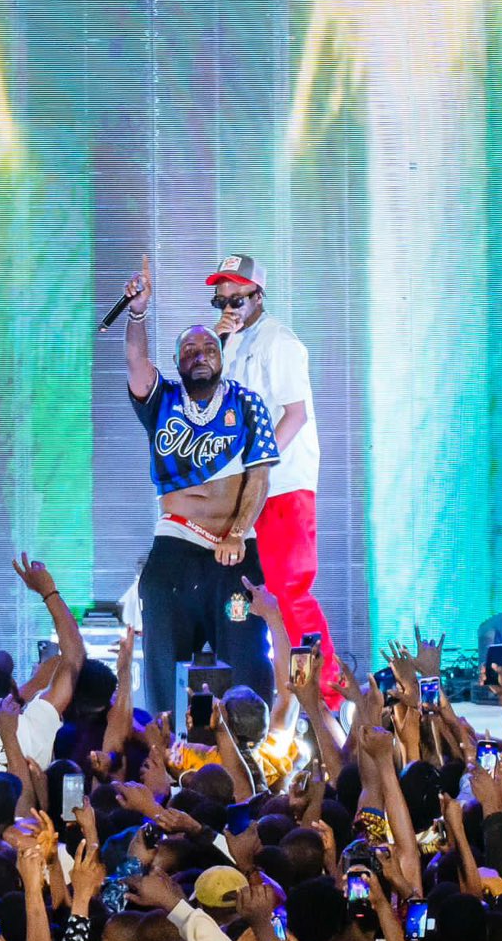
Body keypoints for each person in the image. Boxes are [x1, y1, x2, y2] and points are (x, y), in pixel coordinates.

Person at [120, 255, 279, 714]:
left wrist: (236, 532)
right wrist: (138, 313)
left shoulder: (247, 404)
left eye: (208, 349)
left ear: (222, 356)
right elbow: (135, 358)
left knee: (247, 665)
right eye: (188, 352)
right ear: (177, 363)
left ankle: (250, 751)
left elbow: (260, 476)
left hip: (233, 548)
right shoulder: (162, 399)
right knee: (166, 667)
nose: (200, 357)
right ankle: (165, 752)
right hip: (178, 542)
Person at [204, 255, 338, 688]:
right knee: (253, 598)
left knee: (290, 592)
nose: (229, 308)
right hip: (248, 487)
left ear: (258, 296)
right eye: (220, 300)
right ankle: (277, 695)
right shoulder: (231, 344)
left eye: (237, 299)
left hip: (282, 485)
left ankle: (330, 697)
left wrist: (256, 464)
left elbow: (295, 416)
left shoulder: (279, 341)